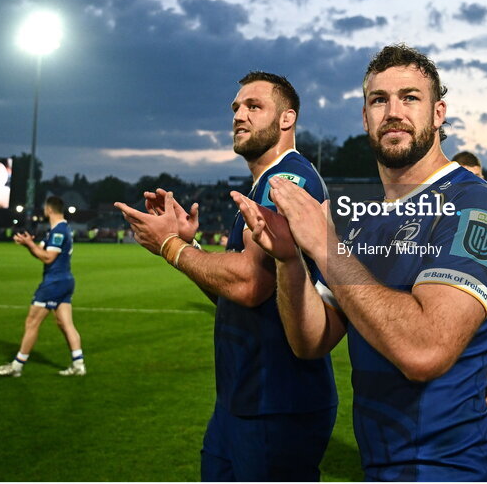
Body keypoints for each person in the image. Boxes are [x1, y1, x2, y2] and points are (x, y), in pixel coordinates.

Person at [234, 45, 487, 480]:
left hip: (452, 468)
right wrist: (289, 261)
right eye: (379, 100)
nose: (393, 111)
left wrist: (327, 247)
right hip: (382, 466)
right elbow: (310, 341)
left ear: (438, 113)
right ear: (365, 117)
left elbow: (425, 351)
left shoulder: (474, 206)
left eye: (410, 97)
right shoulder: (366, 226)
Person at [115, 72, 336, 482]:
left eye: (254, 106)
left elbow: (251, 284)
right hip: (242, 397)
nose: (239, 115)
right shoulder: (259, 188)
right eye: (236, 107)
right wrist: (189, 246)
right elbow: (234, 291)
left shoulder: (288, 180)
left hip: (277, 400)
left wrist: (170, 246)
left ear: (286, 120)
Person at [0, 196, 85, 377]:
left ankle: (16, 366)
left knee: (32, 322)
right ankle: (78, 364)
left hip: (54, 283)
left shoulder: (58, 231)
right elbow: (40, 251)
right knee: (65, 323)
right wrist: (28, 244)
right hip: (64, 281)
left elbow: (48, 257)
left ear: (49, 209)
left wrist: (30, 245)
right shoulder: (57, 230)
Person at [452, 151, 487, 443]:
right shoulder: (445, 214)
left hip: (483, 328)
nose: (473, 183)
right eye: (466, 176)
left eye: (478, 176)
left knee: (481, 394)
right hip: (453, 323)